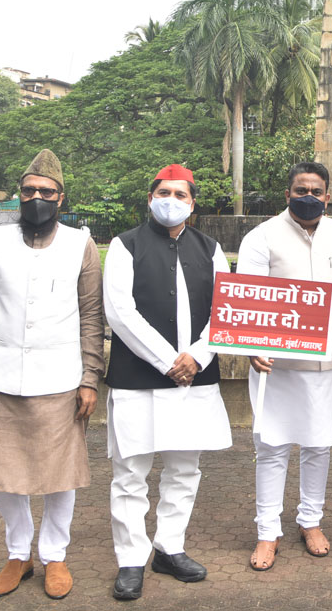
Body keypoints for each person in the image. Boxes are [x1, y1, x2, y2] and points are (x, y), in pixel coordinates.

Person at [0, 149, 104, 600]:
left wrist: (89, 378)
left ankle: (55, 555)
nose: (36, 198)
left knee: (59, 472)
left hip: (60, 377)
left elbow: (92, 316)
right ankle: (18, 553)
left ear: (61, 197)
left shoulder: (81, 244)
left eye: (46, 191)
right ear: (19, 195)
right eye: (29, 191)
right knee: (5, 470)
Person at [103, 164, 232, 601]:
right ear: (150, 197)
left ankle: (169, 547)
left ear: (192, 204)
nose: (171, 201)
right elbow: (119, 312)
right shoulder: (124, 245)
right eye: (164, 192)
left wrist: (196, 356)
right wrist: (167, 361)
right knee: (130, 472)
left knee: (184, 470)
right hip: (139, 376)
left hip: (194, 377)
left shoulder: (211, 248)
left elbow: (225, 310)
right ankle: (130, 558)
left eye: (180, 195)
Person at [237, 161, 332, 571]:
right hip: (278, 363)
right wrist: (251, 345)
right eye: (300, 189)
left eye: (316, 190)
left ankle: (311, 520)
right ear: (287, 193)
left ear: (328, 195)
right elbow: (248, 299)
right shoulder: (262, 236)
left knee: (319, 444)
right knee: (271, 447)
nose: (309, 197)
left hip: (330, 360)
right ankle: (267, 530)